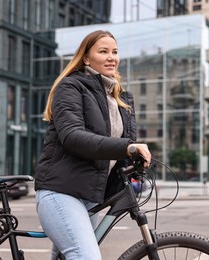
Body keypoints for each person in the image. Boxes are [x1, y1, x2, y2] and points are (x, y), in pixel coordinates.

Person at [34, 30, 151, 260]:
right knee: (86, 257)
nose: (111, 57)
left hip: (89, 195)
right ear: (86, 58)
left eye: (115, 52)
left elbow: (115, 149)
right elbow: (72, 136)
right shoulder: (71, 87)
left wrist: (136, 161)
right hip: (61, 191)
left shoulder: (119, 98)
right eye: (103, 51)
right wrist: (127, 146)